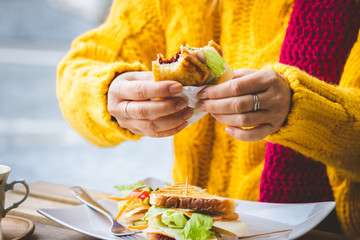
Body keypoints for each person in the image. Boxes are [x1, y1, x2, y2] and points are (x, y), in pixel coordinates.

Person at [56, 0, 360, 237]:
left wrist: (303, 108)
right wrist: (109, 92)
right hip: (187, 226)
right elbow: (77, 71)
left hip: (323, 230)